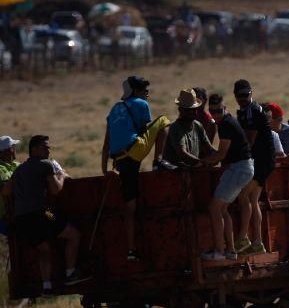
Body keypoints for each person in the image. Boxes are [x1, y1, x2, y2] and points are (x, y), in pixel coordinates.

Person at [101, 75, 171, 262]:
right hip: (135, 150)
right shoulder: (141, 104)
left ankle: (131, 249)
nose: (146, 93)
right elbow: (143, 131)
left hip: (121, 159)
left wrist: (104, 169)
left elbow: (107, 142)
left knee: (129, 206)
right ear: (135, 91)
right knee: (164, 120)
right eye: (143, 90)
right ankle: (159, 161)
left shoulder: (114, 109)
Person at [8, 136, 90, 292]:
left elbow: (8, 191)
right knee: (74, 234)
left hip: (22, 219)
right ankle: (71, 274)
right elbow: (56, 190)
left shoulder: (18, 170)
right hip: (43, 212)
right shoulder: (46, 165)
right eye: (45, 148)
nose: (48, 150)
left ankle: (46, 286)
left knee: (44, 249)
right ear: (34, 150)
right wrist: (63, 176)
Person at [200, 94, 254, 261]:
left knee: (214, 208)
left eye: (219, 110)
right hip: (241, 169)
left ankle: (219, 251)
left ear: (225, 109)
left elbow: (221, 153)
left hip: (239, 169)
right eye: (213, 111)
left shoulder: (225, 124)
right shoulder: (227, 121)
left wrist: (201, 162)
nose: (216, 114)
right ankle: (230, 251)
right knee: (222, 209)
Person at [233, 79, 275, 255]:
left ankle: (242, 238)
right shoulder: (244, 111)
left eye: (246, 95)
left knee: (243, 195)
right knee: (252, 200)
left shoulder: (251, 111)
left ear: (251, 93)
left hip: (261, 161)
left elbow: (249, 141)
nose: (243, 98)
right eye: (239, 95)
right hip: (261, 160)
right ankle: (257, 241)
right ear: (235, 96)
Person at [161, 89, 214, 168]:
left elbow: (209, 149)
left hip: (190, 172)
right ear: (180, 110)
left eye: (194, 109)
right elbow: (183, 154)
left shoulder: (197, 125)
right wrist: (202, 163)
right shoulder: (175, 128)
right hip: (174, 175)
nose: (191, 112)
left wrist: (220, 156)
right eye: (188, 109)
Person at [0, 135, 20, 237]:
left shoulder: (17, 165)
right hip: (5, 216)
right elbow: (5, 190)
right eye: (13, 147)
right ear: (6, 151)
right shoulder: (0, 169)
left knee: (50, 215)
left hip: (22, 210)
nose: (15, 150)